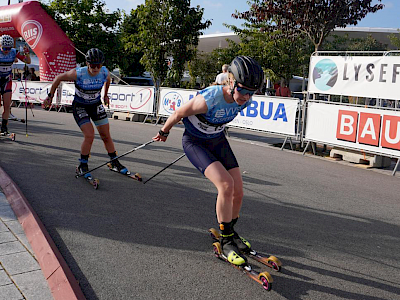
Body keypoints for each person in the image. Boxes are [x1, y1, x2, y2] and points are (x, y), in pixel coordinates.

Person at [153, 56, 264, 266]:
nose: (247, 97)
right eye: (243, 90)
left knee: (238, 190)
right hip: (195, 143)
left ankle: (230, 232)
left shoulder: (243, 99)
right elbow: (178, 113)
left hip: (217, 140)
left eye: (252, 92)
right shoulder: (211, 98)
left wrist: (213, 129)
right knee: (225, 185)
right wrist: (163, 132)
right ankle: (225, 241)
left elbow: (222, 118)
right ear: (231, 82)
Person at [43, 48, 129, 178]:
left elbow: (109, 80)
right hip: (80, 106)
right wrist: (50, 96)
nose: (95, 69)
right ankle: (82, 164)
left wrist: (105, 96)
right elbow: (58, 78)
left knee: (106, 135)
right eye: (92, 66)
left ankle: (114, 162)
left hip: (95, 105)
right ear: (87, 64)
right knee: (89, 135)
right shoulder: (78, 73)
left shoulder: (104, 72)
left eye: (98, 66)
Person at [0, 35, 30, 134]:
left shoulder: (13, 52)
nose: (6, 51)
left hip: (6, 80)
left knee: (7, 106)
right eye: (4, 48)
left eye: (8, 48)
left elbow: (27, 61)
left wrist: (27, 54)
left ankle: (4, 127)